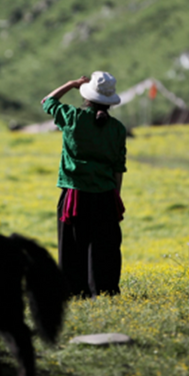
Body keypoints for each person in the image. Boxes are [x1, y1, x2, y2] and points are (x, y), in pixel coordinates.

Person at [41, 71, 127, 298]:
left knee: (72, 246)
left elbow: (47, 101)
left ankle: (73, 292)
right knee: (103, 248)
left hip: (75, 195)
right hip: (105, 194)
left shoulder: (71, 117)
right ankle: (104, 292)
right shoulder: (117, 129)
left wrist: (71, 83)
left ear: (86, 96)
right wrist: (115, 196)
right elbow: (118, 168)